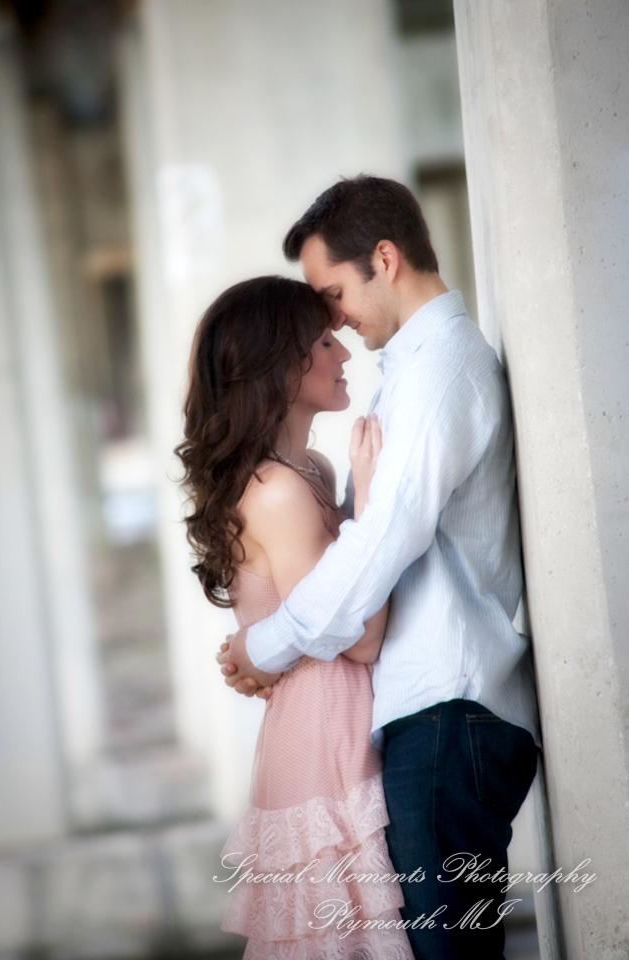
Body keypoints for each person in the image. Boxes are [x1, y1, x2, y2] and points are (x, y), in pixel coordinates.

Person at [219, 176, 541, 960]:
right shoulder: (419, 372)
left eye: (334, 292)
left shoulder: (438, 376)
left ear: (385, 259)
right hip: (438, 717)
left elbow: (374, 552)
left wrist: (265, 647)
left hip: (447, 714)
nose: (332, 317)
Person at [177, 275, 414, 960]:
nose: (341, 352)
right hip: (320, 735)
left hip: (319, 719)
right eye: (320, 340)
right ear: (278, 365)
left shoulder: (303, 467)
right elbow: (363, 638)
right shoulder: (278, 490)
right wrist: (367, 507)